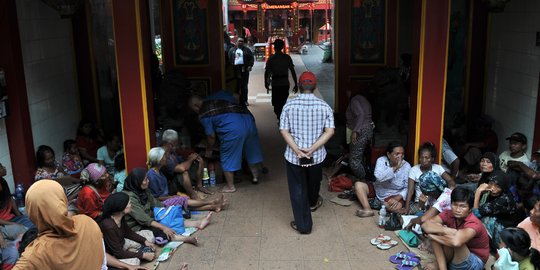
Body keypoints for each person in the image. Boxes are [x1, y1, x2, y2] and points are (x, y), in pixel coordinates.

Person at [279, 71, 335, 234]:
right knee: (313, 182)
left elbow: (283, 130)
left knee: (297, 188)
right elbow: (330, 131)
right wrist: (312, 149)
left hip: (294, 156)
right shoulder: (324, 106)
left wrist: (297, 149)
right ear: (315, 86)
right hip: (316, 156)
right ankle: (312, 203)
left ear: (299, 86)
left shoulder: (289, 105)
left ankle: (303, 225)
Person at [14, 180, 105, 269]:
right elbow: (102, 262)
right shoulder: (87, 223)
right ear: (62, 200)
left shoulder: (35, 255)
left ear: (32, 212)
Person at [190, 91, 264, 192]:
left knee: (227, 156)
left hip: (233, 128)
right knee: (250, 149)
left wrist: (209, 149)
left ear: (195, 106)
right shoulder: (217, 95)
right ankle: (255, 177)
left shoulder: (204, 113)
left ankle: (230, 186)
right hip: (247, 119)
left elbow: (211, 137)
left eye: (193, 109)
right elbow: (236, 96)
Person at [122, 168, 211, 243]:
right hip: (137, 226)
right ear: (137, 182)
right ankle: (185, 239)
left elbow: (157, 204)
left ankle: (198, 223)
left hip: (150, 218)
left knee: (169, 218)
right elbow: (144, 219)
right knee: (161, 230)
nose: (148, 181)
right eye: (145, 180)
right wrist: (164, 227)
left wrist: (169, 212)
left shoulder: (144, 191)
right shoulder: (129, 198)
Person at [421, 187, 490, 270]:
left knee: (453, 238)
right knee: (438, 230)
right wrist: (447, 230)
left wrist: (433, 237)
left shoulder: (474, 223)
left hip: (474, 262)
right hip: (457, 257)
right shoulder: (449, 214)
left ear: (470, 209)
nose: (457, 210)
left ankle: (439, 265)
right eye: (454, 205)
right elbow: (426, 225)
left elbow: (456, 242)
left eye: (462, 206)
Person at [146, 147, 225, 212]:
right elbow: (155, 198)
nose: (166, 158)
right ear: (159, 160)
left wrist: (172, 196)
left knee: (184, 204)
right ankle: (213, 202)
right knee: (183, 201)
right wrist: (171, 197)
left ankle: (213, 207)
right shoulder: (151, 175)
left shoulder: (159, 171)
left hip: (167, 198)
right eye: (164, 156)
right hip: (160, 203)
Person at [354, 141, 411, 217]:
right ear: (388, 154)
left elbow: (408, 187)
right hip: (378, 189)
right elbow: (379, 177)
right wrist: (395, 168)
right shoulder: (381, 160)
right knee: (358, 185)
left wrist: (398, 198)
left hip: (394, 194)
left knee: (396, 207)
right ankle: (368, 209)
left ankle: (381, 204)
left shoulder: (407, 166)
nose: (400, 157)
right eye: (397, 154)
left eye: (402, 154)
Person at [98, 192, 156, 264]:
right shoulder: (109, 226)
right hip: (113, 254)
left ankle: (131, 251)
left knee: (149, 235)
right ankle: (132, 252)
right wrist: (143, 255)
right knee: (135, 262)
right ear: (121, 207)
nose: (131, 205)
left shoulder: (119, 216)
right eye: (129, 203)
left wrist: (144, 241)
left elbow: (128, 233)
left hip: (122, 243)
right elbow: (118, 253)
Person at [402, 142, 454, 214]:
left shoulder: (438, 168)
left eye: (427, 158)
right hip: (419, 203)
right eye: (421, 157)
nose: (423, 160)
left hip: (436, 202)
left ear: (432, 159)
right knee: (401, 214)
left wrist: (449, 192)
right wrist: (406, 208)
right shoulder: (414, 170)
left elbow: (450, 181)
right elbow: (410, 191)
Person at [473, 170, 518, 249]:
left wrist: (478, 191)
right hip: (498, 218)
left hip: (504, 227)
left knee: (477, 221)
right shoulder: (494, 193)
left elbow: (475, 214)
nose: (493, 188)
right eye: (491, 183)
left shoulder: (502, 200)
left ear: (503, 186)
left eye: (498, 186)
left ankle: (492, 246)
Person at [160, 129, 207, 198]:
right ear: (170, 144)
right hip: (170, 185)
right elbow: (181, 168)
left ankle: (199, 186)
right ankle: (193, 195)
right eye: (176, 143)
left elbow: (182, 162)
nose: (178, 145)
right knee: (184, 173)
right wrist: (190, 159)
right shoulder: (163, 154)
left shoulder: (172, 152)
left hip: (178, 179)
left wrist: (191, 158)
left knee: (198, 161)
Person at [264, 38, 298, 121]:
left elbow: (267, 72)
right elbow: (293, 71)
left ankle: (280, 116)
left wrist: (266, 82)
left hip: (275, 83)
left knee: (276, 103)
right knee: (283, 101)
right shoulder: (287, 58)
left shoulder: (271, 58)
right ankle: (281, 116)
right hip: (284, 83)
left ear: (275, 47)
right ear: (282, 47)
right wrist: (296, 84)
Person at [345, 92, 374, 181]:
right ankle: (363, 179)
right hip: (368, 129)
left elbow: (360, 114)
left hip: (361, 131)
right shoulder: (363, 100)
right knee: (360, 157)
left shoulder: (354, 100)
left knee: (354, 161)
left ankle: (364, 180)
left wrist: (355, 131)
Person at [0, 164, 34, 229]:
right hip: (4, 224)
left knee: (35, 222)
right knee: (26, 230)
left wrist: (19, 215)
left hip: (12, 218)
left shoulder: (2, 181)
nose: (4, 168)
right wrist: (14, 224)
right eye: (1, 167)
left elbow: (10, 198)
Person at [228, 38, 254, 106]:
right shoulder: (232, 50)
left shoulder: (247, 50)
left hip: (244, 70)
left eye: (242, 41)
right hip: (234, 70)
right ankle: (234, 101)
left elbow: (251, 58)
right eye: (239, 41)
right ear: (236, 42)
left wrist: (250, 65)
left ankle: (245, 100)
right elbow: (228, 59)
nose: (240, 42)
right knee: (235, 85)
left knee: (244, 86)